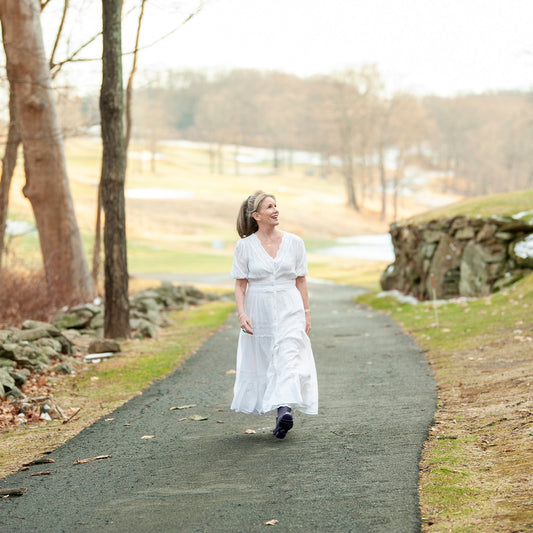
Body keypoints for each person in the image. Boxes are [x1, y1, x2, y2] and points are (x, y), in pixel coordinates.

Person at [230, 190, 318, 439]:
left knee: (289, 354)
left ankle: (284, 409)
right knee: (269, 358)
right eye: (269, 207)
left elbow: (301, 280)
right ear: (256, 215)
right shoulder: (244, 246)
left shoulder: (295, 242)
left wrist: (306, 313)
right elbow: (240, 284)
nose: (275, 210)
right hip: (259, 307)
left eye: (276, 205)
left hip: (290, 306)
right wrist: (242, 313)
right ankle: (280, 411)